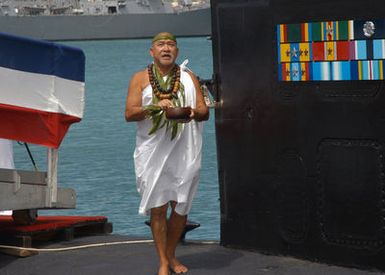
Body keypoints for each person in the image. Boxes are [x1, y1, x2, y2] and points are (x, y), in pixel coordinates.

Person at [125, 32, 209, 275]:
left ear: (177, 52)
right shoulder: (140, 78)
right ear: (152, 52)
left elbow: (204, 111)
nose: (166, 48)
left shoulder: (189, 77)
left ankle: (171, 255)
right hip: (153, 151)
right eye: (161, 45)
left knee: (181, 205)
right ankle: (163, 261)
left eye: (171, 45)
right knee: (158, 207)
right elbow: (129, 113)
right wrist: (154, 107)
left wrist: (191, 112)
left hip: (185, 148)